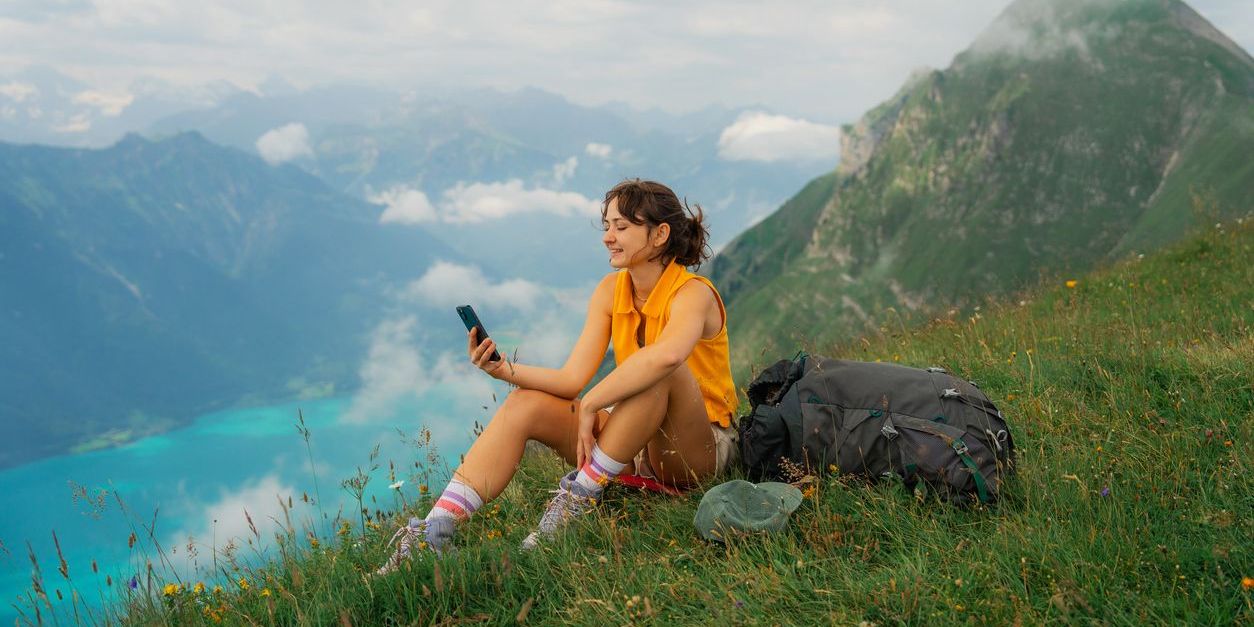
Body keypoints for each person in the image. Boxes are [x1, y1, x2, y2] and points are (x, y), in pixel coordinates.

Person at [376, 179, 738, 574]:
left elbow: (667, 357)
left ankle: (574, 503)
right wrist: (504, 370)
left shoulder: (693, 293)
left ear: (660, 234)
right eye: (606, 226)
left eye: (621, 227)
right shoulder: (610, 291)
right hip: (632, 441)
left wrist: (595, 403)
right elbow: (571, 380)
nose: (608, 237)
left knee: (662, 371)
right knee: (523, 403)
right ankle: (432, 531)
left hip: (695, 450)